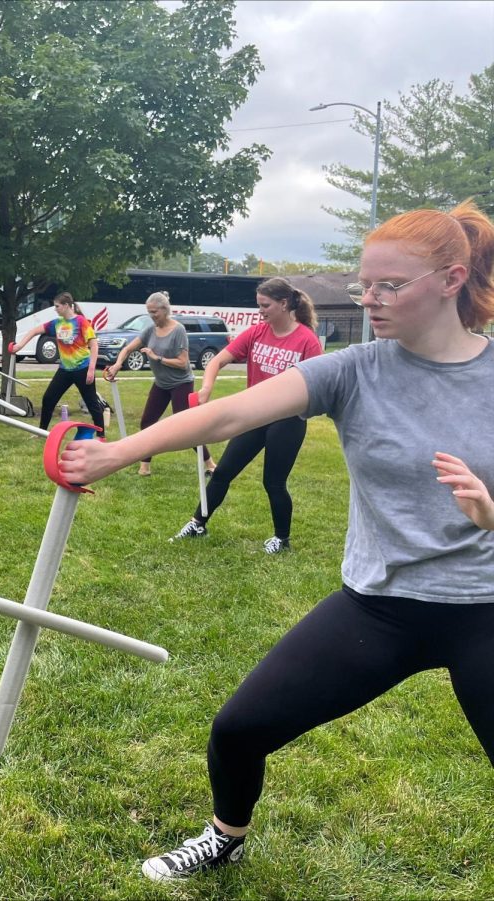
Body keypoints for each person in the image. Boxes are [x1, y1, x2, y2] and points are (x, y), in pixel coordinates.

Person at [58, 200, 494, 881]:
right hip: (380, 605)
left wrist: (490, 514)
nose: (370, 300)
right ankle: (225, 835)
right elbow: (230, 412)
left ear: (451, 278)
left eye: (389, 286)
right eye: (363, 285)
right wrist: (120, 452)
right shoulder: (354, 369)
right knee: (238, 729)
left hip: (483, 611)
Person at [169, 278, 323, 552]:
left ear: (284, 304)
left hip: (287, 421)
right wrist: (206, 388)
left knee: (273, 482)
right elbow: (217, 360)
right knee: (223, 472)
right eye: (259, 305)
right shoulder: (256, 333)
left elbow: (316, 386)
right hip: (253, 416)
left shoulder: (306, 341)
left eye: (265, 305)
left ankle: (281, 538)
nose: (260, 311)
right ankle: (198, 523)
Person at [103, 291, 213, 477]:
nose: (152, 316)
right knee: (147, 422)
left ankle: (210, 464)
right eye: (149, 312)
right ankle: (145, 466)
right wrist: (117, 365)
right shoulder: (149, 330)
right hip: (161, 384)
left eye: (155, 312)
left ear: (165, 309)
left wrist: (157, 358)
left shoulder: (178, 330)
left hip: (181, 383)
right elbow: (128, 348)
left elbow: (183, 363)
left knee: (186, 427)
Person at [9, 292, 106, 433]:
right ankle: (41, 432)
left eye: (57, 306)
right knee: (48, 399)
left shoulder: (81, 322)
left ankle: (101, 435)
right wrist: (19, 346)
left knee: (92, 404)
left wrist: (91, 370)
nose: (55, 309)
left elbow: (94, 345)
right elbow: (34, 331)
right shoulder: (57, 323)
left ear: (66, 306)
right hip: (65, 370)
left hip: (82, 369)